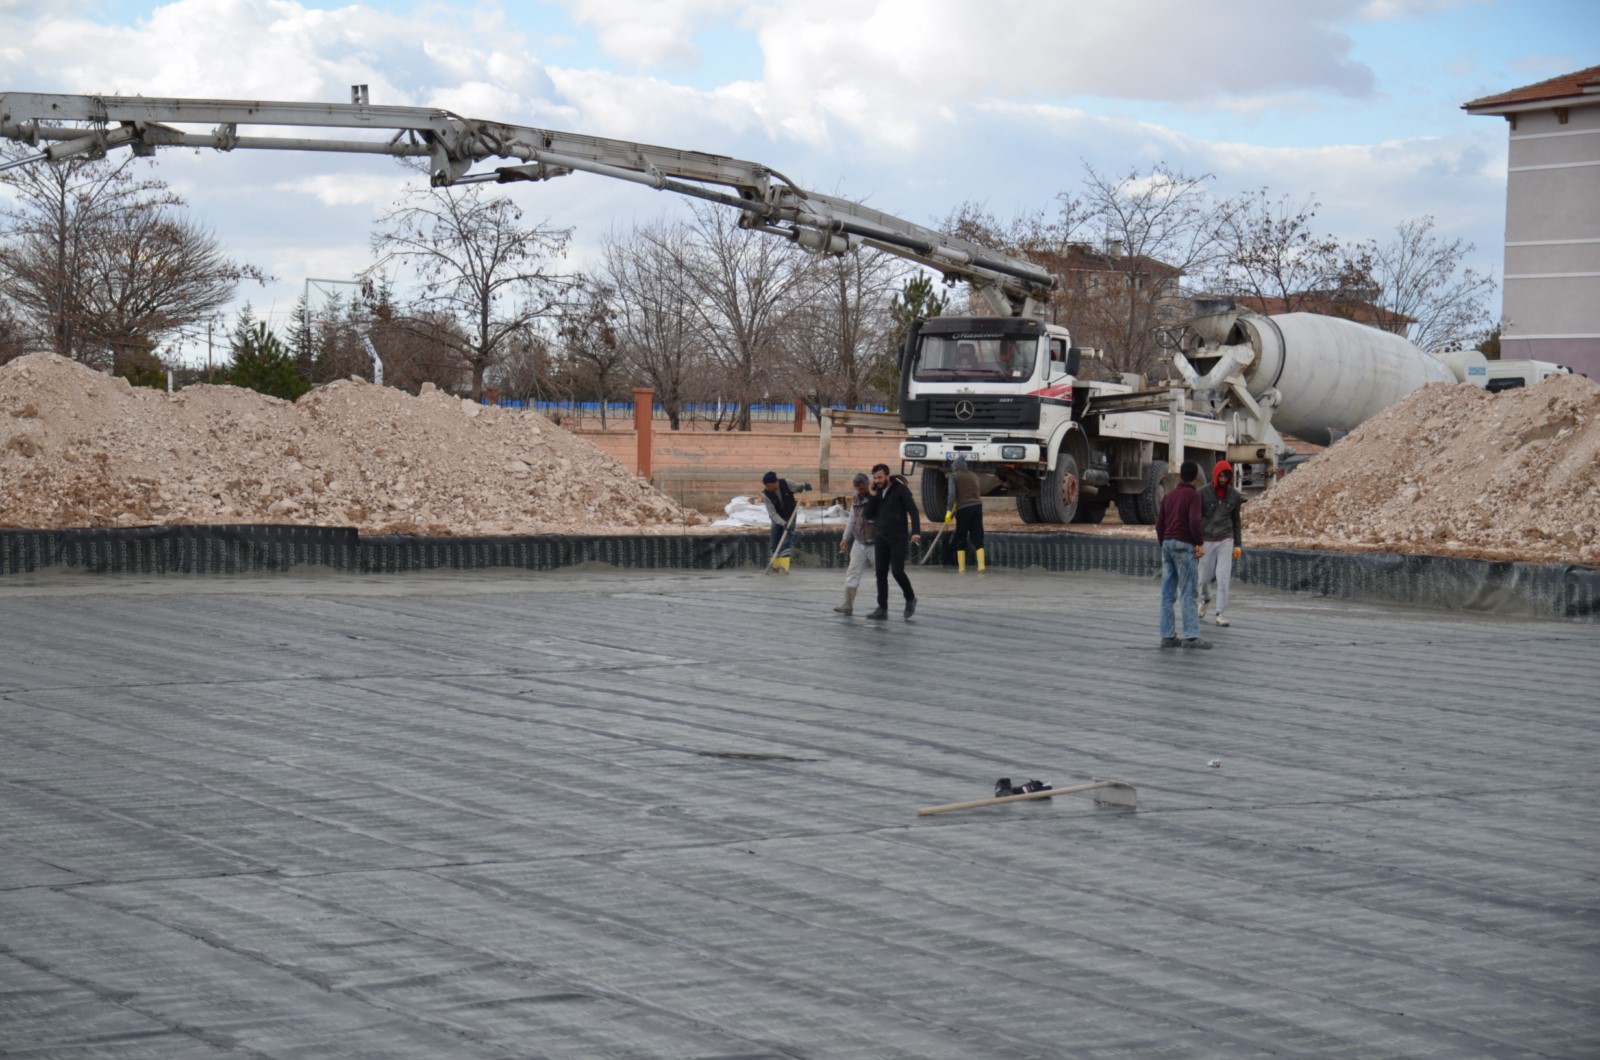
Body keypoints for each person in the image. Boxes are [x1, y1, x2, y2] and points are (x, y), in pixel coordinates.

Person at [1155, 460, 1212, 649]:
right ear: (1196, 477)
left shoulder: (1169, 496)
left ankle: (1167, 635)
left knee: (1167, 594)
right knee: (1188, 592)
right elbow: (1195, 521)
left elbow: (1159, 525)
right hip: (1184, 545)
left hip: (1168, 544)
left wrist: (1164, 542)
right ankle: (1191, 636)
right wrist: (1199, 543)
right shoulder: (1194, 495)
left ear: (1180, 475)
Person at [862, 463, 922, 619]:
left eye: (880, 477)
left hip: (898, 537)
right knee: (880, 573)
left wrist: (916, 532)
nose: (877, 480)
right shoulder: (877, 491)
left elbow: (913, 511)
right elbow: (868, 514)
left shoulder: (900, 489)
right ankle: (882, 608)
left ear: (888, 476)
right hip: (881, 536)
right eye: (874, 478)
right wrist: (873, 496)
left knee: (897, 572)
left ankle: (910, 598)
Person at [1197, 460, 1244, 626]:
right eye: (1221, 475)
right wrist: (1196, 541)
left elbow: (1236, 521)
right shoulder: (1202, 493)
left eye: (1227, 476)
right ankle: (1205, 599)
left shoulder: (1235, 496)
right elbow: (1197, 518)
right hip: (1206, 538)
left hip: (1225, 539)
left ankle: (1220, 613)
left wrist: (1237, 544)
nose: (1224, 479)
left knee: (1223, 577)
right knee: (1203, 579)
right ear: (1216, 475)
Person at [833, 472, 874, 614]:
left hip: (875, 543)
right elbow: (851, 520)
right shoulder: (856, 499)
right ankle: (847, 605)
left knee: (881, 575)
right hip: (859, 542)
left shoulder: (877, 498)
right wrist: (845, 537)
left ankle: (882, 606)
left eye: (862, 489)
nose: (860, 492)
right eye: (857, 489)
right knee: (852, 572)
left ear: (868, 484)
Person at [760, 471, 811, 573]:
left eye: (768, 486)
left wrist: (805, 487)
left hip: (790, 516)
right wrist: (783, 524)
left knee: (786, 541)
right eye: (766, 486)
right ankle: (775, 567)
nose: (767, 488)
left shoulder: (787, 483)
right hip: (777, 518)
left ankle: (784, 568)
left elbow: (797, 487)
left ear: (775, 483)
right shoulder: (766, 495)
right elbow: (773, 514)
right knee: (774, 541)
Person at [942, 455, 985, 573]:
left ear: (955, 466)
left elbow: (951, 495)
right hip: (977, 507)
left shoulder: (954, 476)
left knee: (961, 537)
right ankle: (981, 567)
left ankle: (961, 569)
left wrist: (949, 511)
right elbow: (976, 491)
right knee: (977, 535)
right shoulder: (974, 476)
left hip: (964, 509)